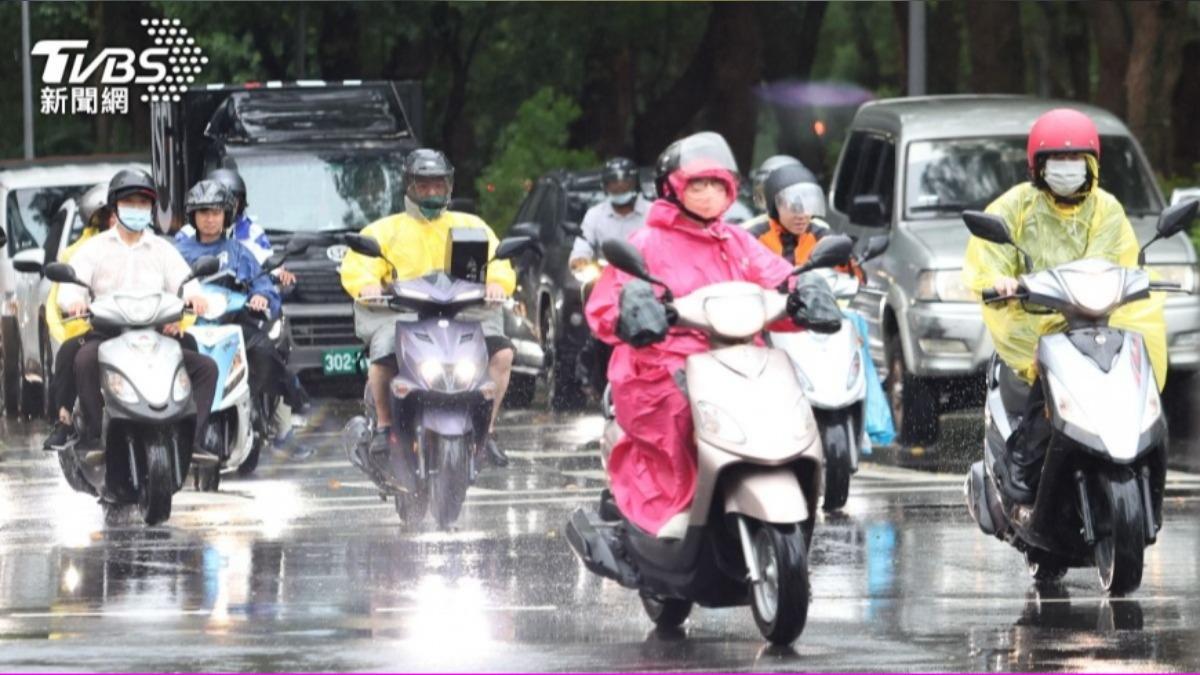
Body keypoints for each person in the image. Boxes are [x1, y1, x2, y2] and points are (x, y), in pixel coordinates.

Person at [585, 132, 833, 536]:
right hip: (662, 364)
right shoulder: (646, 241)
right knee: (679, 416)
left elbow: (779, 278)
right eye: (696, 185)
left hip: (737, 358)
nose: (707, 194)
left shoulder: (735, 241)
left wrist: (808, 292)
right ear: (674, 188)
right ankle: (671, 514)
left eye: (716, 185)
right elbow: (604, 305)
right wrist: (632, 312)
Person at [962, 108, 1167, 506]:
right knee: (1047, 377)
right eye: (1057, 159)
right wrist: (1002, 282)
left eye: (1076, 159)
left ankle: (1145, 454)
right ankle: (1024, 456)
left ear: (1091, 165)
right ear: (1038, 166)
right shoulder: (1016, 206)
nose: (1067, 168)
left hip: (1097, 315)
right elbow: (989, 255)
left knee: (1135, 372)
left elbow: (1117, 257)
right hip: (1033, 320)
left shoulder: (1106, 209)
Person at [339, 148, 516, 467]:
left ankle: (487, 432)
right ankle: (383, 425)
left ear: (449, 186)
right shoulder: (384, 230)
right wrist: (367, 284)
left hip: (463, 314)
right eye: (424, 185)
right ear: (409, 186)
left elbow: (499, 265)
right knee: (383, 354)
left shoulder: (472, 225)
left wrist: (496, 285)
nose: (432, 191)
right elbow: (358, 266)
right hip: (403, 315)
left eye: (438, 184)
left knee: (502, 354)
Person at [57, 169, 219, 455]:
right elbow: (72, 288)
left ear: (152, 209)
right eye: (130, 202)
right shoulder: (94, 249)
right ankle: (95, 438)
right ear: (115, 206)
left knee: (206, 368)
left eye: (143, 203)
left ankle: (192, 441)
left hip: (156, 335)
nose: (137, 209)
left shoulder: (161, 249)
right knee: (83, 360)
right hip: (107, 335)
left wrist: (195, 299)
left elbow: (187, 283)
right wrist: (75, 303)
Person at [175, 179, 314, 458]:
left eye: (216, 212)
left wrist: (261, 297)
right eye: (204, 213)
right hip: (190, 327)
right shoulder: (177, 252)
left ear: (226, 214)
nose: (210, 219)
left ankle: (272, 402)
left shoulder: (239, 251)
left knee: (265, 350)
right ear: (193, 216)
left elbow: (262, 284)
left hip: (233, 324)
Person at [43, 183, 110, 450]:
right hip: (96, 328)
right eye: (112, 214)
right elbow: (64, 296)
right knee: (72, 354)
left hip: (144, 326)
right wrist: (76, 308)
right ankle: (66, 419)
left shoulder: (151, 246)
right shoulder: (81, 252)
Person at [176, 168, 297, 287]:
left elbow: (263, 266)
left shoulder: (252, 231)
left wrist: (278, 274)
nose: (210, 219)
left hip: (238, 296)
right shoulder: (187, 233)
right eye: (205, 211)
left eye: (233, 199)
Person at [568, 157, 650, 269]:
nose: (619, 186)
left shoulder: (653, 212)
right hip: (605, 278)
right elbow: (584, 243)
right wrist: (580, 259)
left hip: (648, 278)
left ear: (635, 183)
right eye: (613, 182)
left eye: (625, 181)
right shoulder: (594, 215)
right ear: (605, 186)